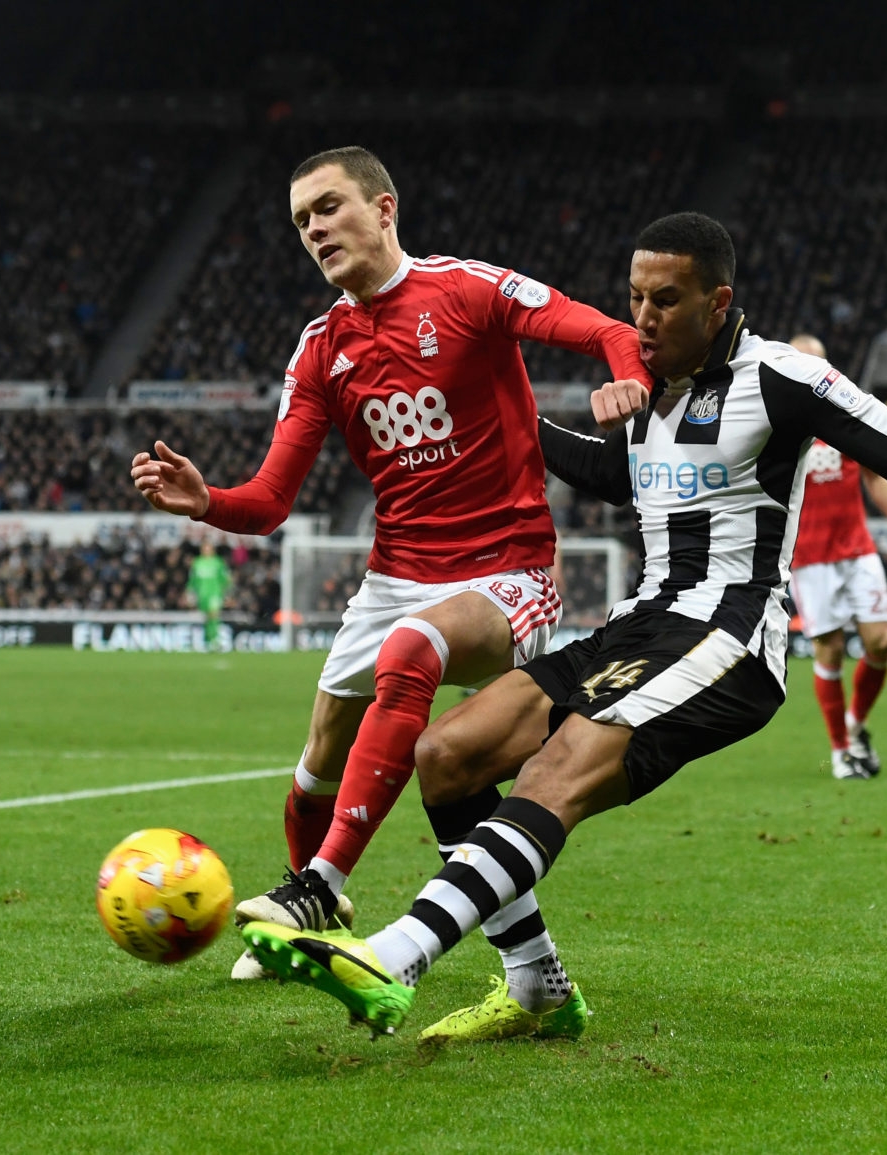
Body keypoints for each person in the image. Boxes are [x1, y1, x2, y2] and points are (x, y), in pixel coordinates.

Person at [241, 212, 887, 1038]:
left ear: (718, 301)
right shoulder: (646, 394)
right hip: (639, 626)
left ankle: (395, 953)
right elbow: (610, 476)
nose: (643, 317)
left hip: (729, 637)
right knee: (448, 753)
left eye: (665, 300)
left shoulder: (780, 378)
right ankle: (536, 984)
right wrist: (497, 410)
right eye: (634, 298)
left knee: (556, 767)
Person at [131, 146, 650, 989]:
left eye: (328, 207)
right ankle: (316, 909)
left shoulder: (467, 289)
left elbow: (609, 331)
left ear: (383, 209)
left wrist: (627, 381)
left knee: (412, 648)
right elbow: (268, 502)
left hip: (506, 574)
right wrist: (207, 501)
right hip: (396, 575)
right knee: (316, 763)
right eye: (301, 220)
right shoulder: (320, 349)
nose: (314, 229)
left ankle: (318, 883)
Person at [785, 332, 887, 779]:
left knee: (880, 642)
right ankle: (841, 752)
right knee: (830, 651)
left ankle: (855, 723)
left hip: (857, 548)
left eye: (817, 362)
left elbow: (874, 476)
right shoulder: (777, 421)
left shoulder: (844, 416)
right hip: (809, 556)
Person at [188, 538, 232, 649]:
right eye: (204, 548)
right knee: (208, 617)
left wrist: (227, 594)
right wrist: (189, 592)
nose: (206, 550)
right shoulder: (197, 562)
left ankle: (214, 640)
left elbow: (225, 579)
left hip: (215, 593)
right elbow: (192, 579)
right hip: (202, 594)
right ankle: (208, 640)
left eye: (208, 548)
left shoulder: (218, 562)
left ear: (212, 549)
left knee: (214, 614)